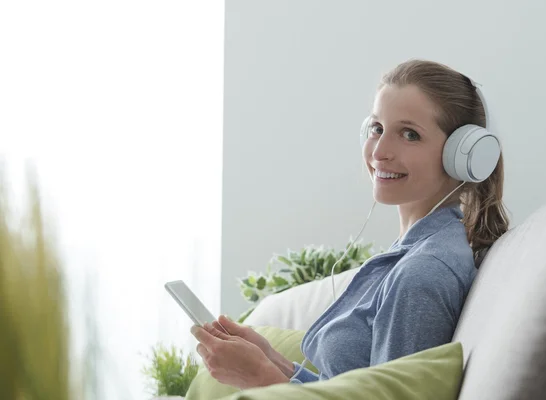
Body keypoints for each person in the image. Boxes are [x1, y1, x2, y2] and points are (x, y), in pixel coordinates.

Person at [190, 59, 510, 389]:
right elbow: (351, 391)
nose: (380, 151)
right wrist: (273, 361)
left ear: (463, 155)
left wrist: (260, 378)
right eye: (377, 129)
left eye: (409, 134)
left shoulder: (423, 274)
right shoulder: (413, 253)